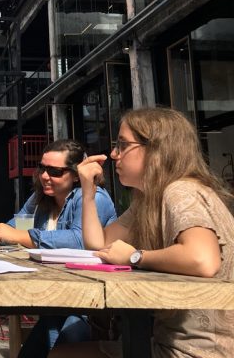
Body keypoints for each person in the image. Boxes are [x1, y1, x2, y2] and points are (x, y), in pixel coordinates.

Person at [50, 108, 234, 358]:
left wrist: (134, 256)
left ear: (156, 149)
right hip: (175, 343)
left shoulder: (182, 190)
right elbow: (98, 244)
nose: (114, 154)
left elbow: (202, 259)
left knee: (61, 355)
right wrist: (88, 192)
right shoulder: (148, 201)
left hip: (203, 351)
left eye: (123, 145)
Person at [0, 139, 117, 358]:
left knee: (59, 340)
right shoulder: (41, 196)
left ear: (77, 175)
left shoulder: (93, 197)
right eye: (42, 168)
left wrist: (17, 235)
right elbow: (16, 226)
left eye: (55, 171)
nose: (45, 176)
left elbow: (79, 241)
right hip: (57, 297)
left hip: (91, 304)